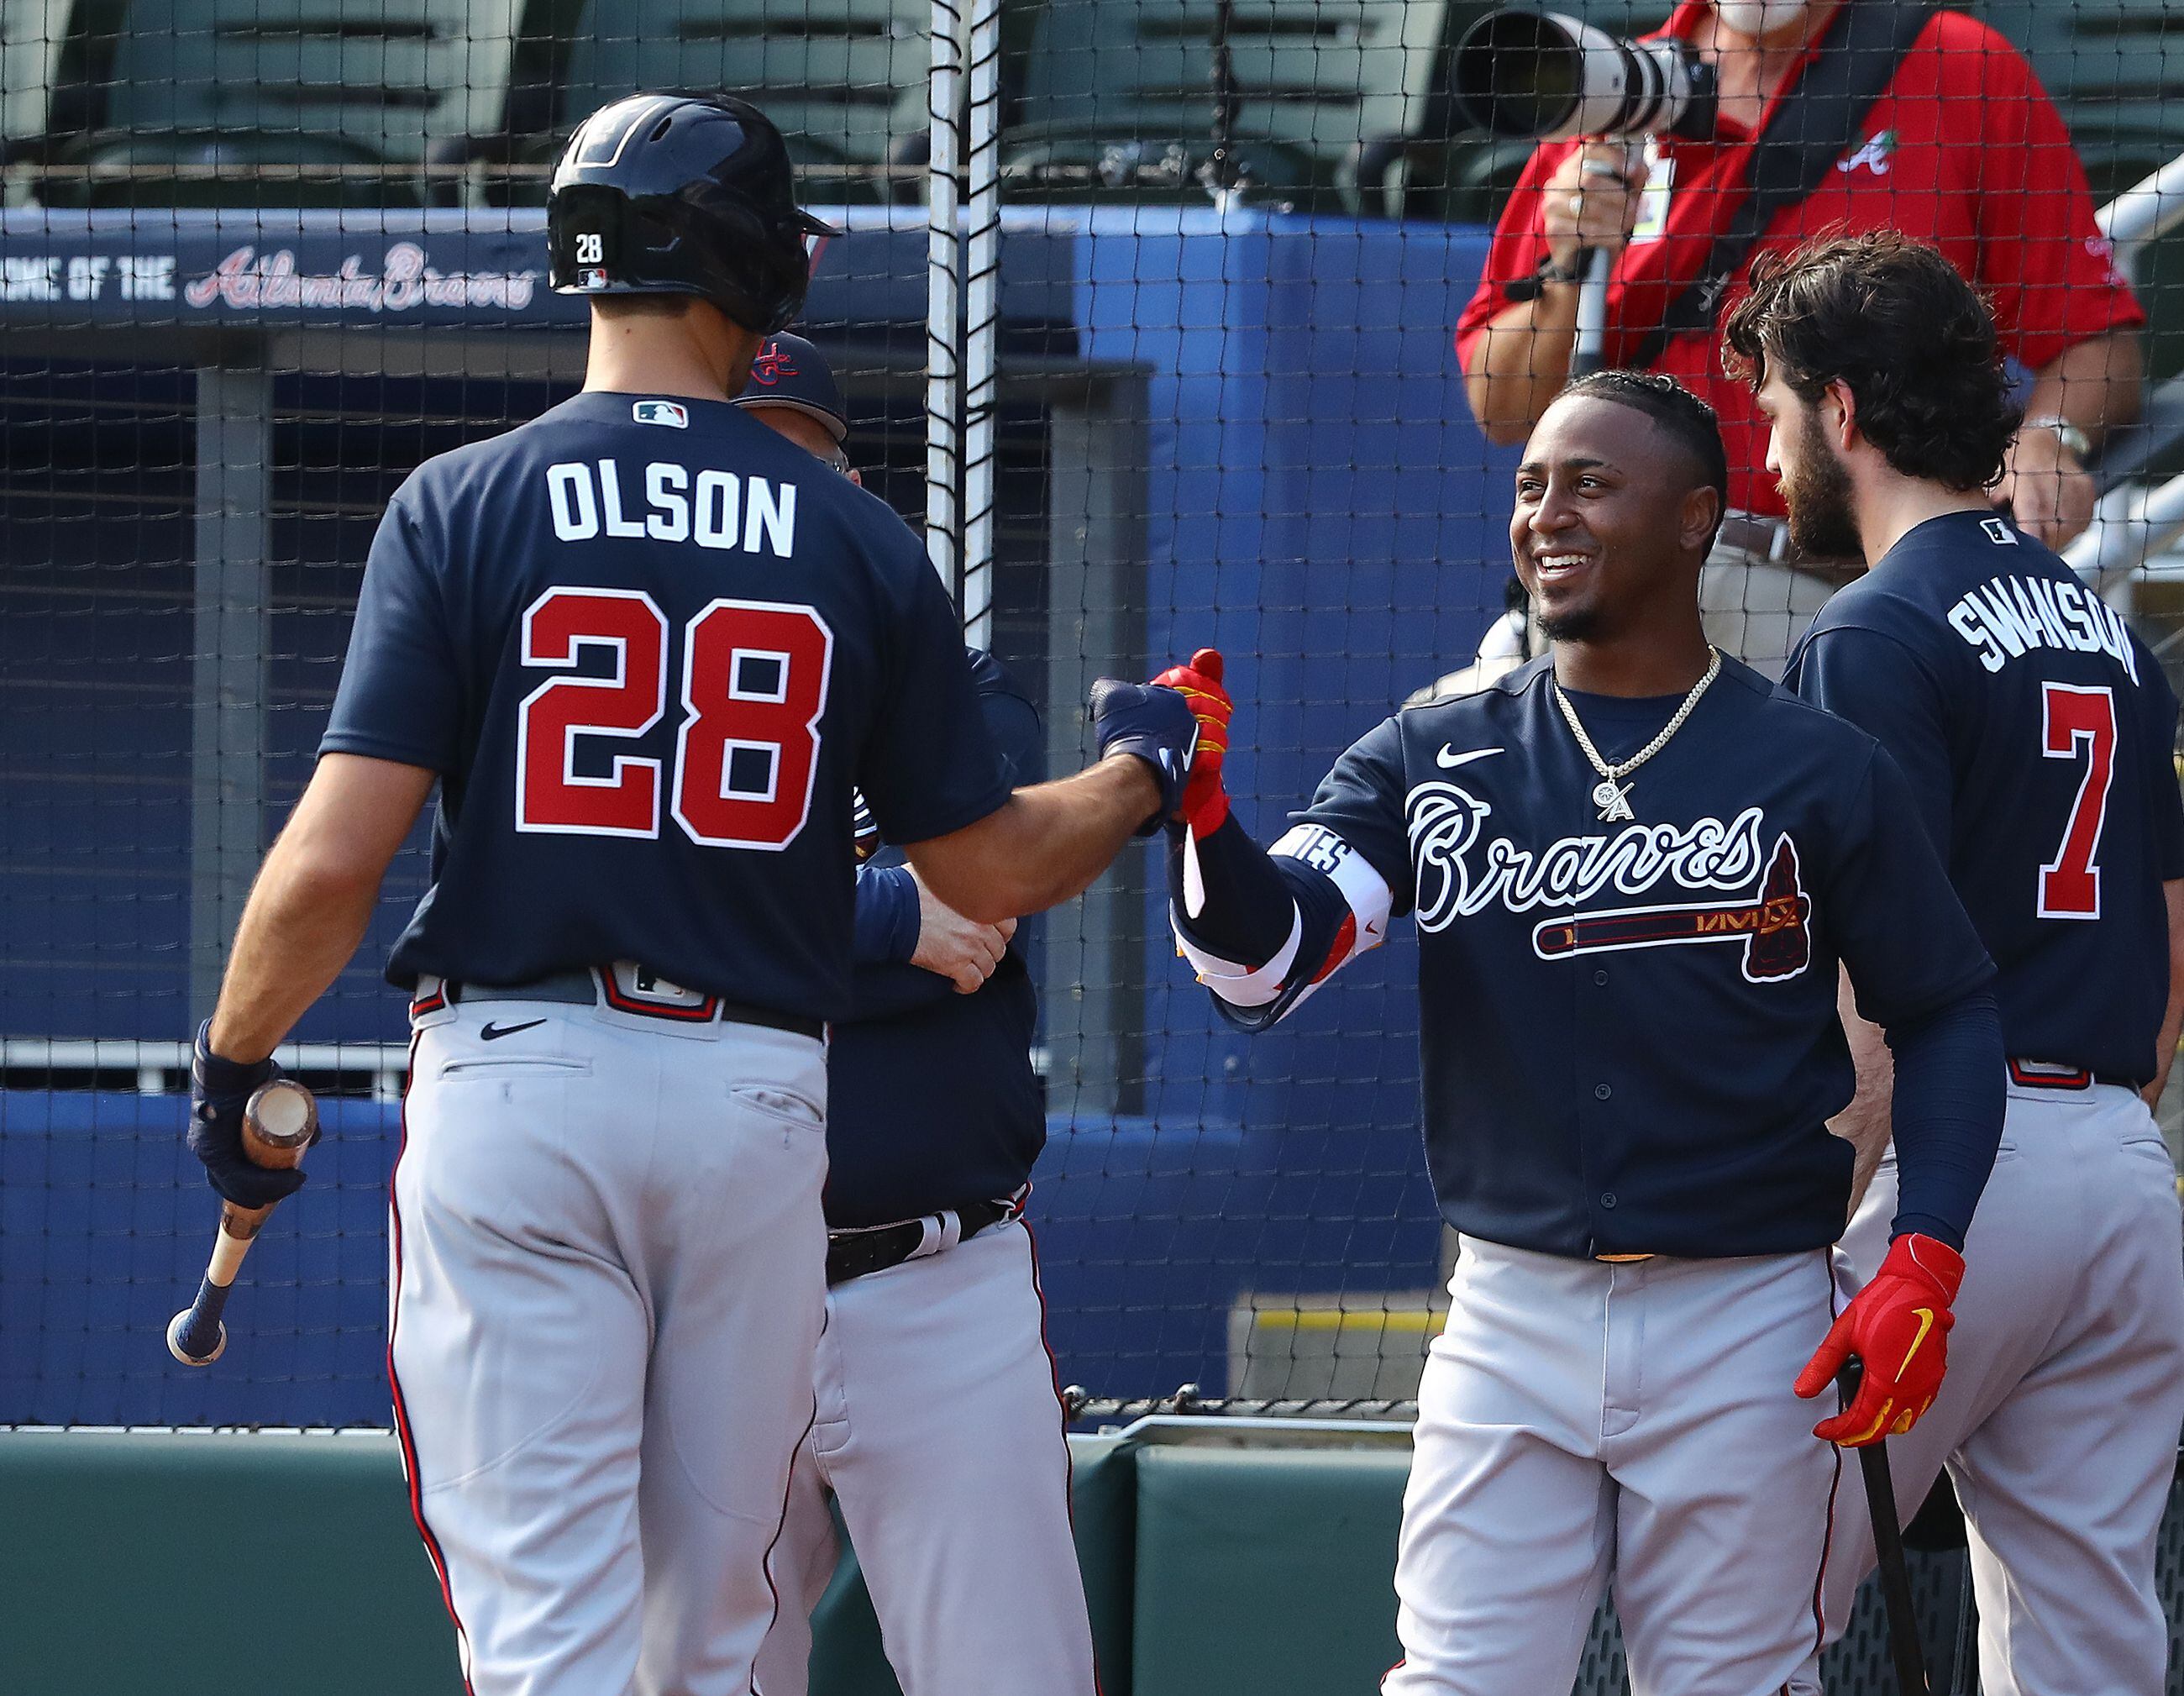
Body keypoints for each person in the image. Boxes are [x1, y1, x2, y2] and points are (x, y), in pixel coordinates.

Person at [180, 92, 1196, 1696]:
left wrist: (236, 1066)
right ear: (754, 263)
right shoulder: (855, 535)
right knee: (716, 1637)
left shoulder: (465, 499)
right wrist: (1145, 767)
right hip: (753, 1106)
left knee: (554, 1637)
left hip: (523, 1080)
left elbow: (330, 864)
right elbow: (994, 866)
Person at [1146, 369, 2006, 1695]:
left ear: (1696, 517)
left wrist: (1927, 1254)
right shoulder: (1424, 755)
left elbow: (1947, 1009)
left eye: (1591, 484)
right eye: (1531, 485)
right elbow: (1266, 964)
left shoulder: (1818, 763)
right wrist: (1205, 822)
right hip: (1511, 1305)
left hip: (1750, 1306)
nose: (1546, 513)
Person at [1732, 232, 2184, 1696]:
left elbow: (1880, 987)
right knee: (2087, 1654)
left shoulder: (1871, 632)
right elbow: (2170, 945)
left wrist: (1831, 1214)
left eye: (1782, 408)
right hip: (2122, 1169)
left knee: (1735, 1615)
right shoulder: (2112, 630)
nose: (1770, 443)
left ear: (1845, 413)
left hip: (1953, 1175)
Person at [732, 338, 1102, 1696]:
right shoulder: (647, 715)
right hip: (701, 1283)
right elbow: (629, 922)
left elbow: (981, 907)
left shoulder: (952, 682)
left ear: (846, 483)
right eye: (738, 443)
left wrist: (735, 923)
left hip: (933, 1286)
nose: (768, 477)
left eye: (797, 450)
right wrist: (875, 912)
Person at [1455, 0, 2143, 676]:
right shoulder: (1611, 89)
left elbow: (2100, 342)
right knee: (1418, 767)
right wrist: (1566, 266)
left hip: (1837, 598)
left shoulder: (1958, 65)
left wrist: (2051, 436)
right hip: (1610, 583)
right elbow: (1503, 406)